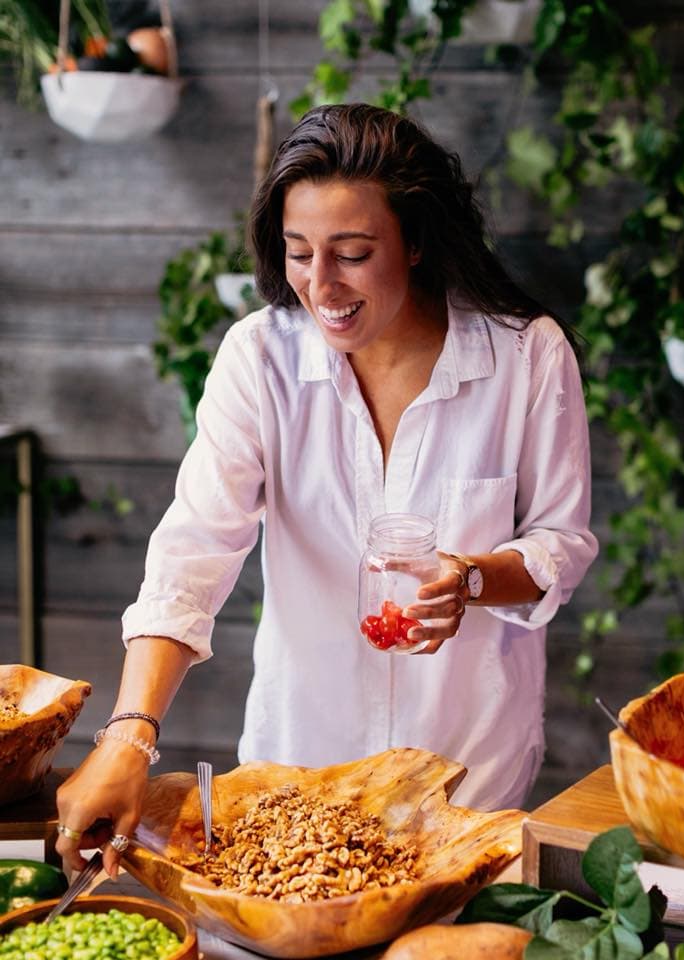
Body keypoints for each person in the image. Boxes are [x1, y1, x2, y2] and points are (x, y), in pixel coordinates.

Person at [55, 103, 598, 877]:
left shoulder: (524, 356)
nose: (319, 284)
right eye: (299, 252)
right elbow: (193, 552)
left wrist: (473, 578)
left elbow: (560, 542)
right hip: (294, 780)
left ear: (414, 242)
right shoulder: (261, 360)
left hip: (469, 780)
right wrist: (128, 735)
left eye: (351, 252)